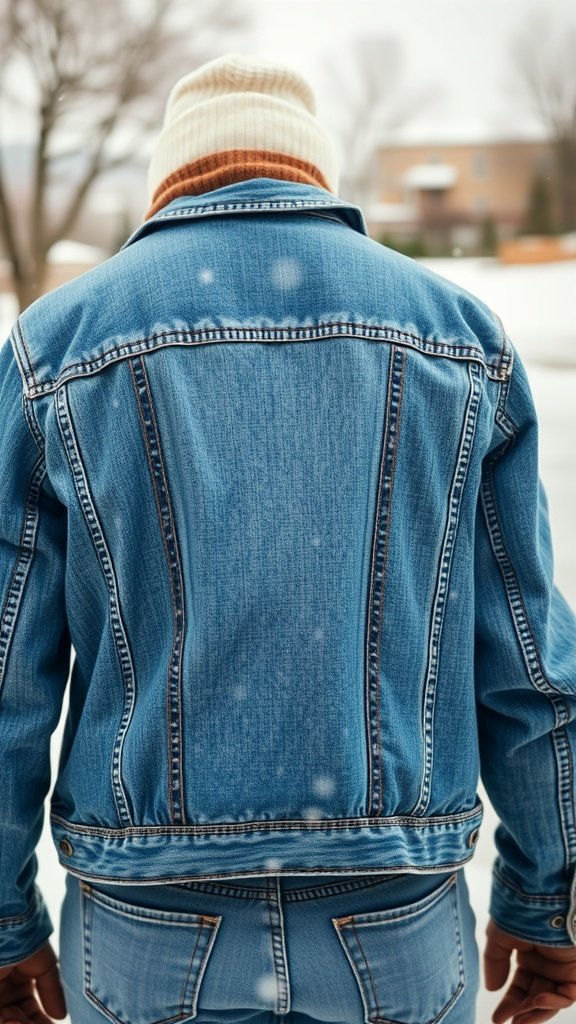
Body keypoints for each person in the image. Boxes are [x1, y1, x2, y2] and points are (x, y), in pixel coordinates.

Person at [0, 50, 575, 1024]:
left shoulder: (57, 349)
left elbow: (7, 670)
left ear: (173, 172)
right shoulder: (459, 338)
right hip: (394, 917)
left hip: (147, 928)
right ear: (312, 167)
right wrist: (550, 897)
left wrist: (7, 925)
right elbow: (530, 662)